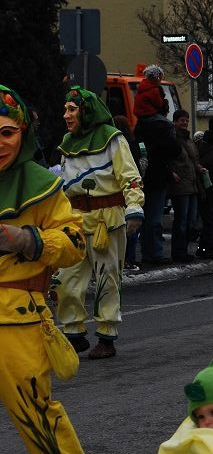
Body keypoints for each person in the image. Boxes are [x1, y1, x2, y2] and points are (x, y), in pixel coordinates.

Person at [0, 85, 101, 454]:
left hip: (16, 320)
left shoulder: (41, 184)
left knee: (37, 418)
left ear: (23, 132)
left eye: (7, 132)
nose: (0, 141)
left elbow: (75, 243)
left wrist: (28, 241)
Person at [55, 87, 144, 359]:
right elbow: (64, 185)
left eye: (72, 109)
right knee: (65, 278)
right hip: (74, 221)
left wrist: (134, 206)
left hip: (107, 220)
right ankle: (73, 331)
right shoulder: (67, 143)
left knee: (107, 278)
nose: (66, 115)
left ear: (86, 111)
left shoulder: (113, 139)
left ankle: (106, 336)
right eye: (66, 109)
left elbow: (129, 175)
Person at [133, 67, 181, 265]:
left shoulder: (139, 123)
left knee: (143, 216)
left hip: (142, 173)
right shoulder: (163, 125)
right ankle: (156, 253)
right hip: (158, 173)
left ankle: (145, 252)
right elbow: (173, 149)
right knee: (155, 217)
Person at [168, 109, 202, 263]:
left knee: (190, 221)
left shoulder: (189, 140)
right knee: (182, 221)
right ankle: (178, 251)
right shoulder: (173, 138)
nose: (185, 123)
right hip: (181, 185)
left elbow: (193, 160)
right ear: (175, 121)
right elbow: (170, 159)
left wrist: (198, 168)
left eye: (187, 120)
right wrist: (173, 173)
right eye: (182, 120)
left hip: (192, 183)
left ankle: (184, 249)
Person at [113, 114, 142, 270]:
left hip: (119, 190)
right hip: (129, 187)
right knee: (130, 227)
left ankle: (122, 259)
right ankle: (128, 258)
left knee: (121, 227)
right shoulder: (130, 142)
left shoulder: (115, 144)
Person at [195, 116, 213, 259]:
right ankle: (208, 249)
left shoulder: (200, 151)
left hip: (204, 192)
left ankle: (203, 248)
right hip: (211, 192)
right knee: (212, 224)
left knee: (207, 223)